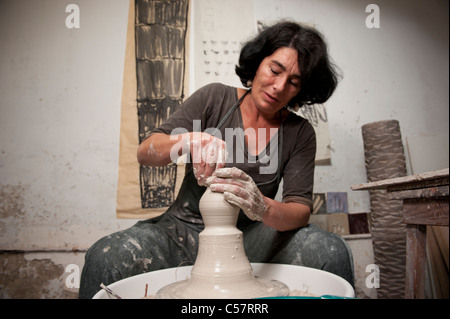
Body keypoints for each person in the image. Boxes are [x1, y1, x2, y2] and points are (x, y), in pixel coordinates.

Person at [79, 21, 354, 299]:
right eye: (274, 70)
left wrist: (262, 207)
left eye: (293, 82)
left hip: (251, 237)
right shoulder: (214, 98)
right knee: (107, 257)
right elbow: (146, 151)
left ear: (301, 90)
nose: (279, 86)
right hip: (182, 232)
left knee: (330, 251)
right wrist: (190, 140)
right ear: (258, 63)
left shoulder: (300, 132)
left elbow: (299, 210)